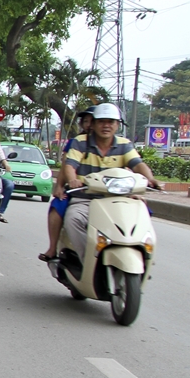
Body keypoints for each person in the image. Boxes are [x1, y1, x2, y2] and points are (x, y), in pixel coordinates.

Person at [60, 103, 157, 258]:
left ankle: (143, 257)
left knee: (141, 215)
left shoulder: (124, 145)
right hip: (85, 199)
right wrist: (72, 179)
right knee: (73, 219)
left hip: (118, 199)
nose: (106, 126)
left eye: (111, 122)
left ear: (117, 125)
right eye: (101, 121)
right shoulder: (80, 142)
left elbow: (138, 164)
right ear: (93, 124)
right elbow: (70, 165)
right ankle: (88, 260)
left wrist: (150, 179)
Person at [40, 110, 92, 261]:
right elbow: (66, 166)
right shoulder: (76, 143)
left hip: (108, 193)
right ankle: (53, 247)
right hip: (80, 191)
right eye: (86, 121)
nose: (90, 125)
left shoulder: (119, 144)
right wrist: (60, 186)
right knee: (57, 207)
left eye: (93, 121)